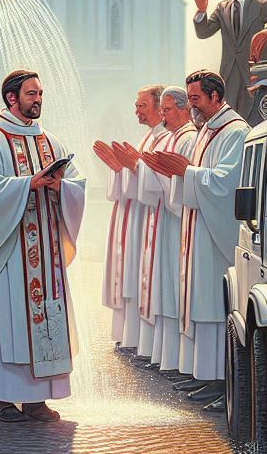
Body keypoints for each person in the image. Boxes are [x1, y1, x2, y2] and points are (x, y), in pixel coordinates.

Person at [0, 70, 87, 424]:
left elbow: (76, 183)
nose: (38, 100)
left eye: (40, 94)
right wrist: (28, 184)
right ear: (11, 98)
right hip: (8, 252)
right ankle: (2, 399)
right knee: (7, 323)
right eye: (31, 94)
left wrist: (63, 186)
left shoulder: (51, 142)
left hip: (46, 252)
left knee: (46, 319)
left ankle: (36, 400)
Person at [148, 71, 249, 412]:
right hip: (199, 228)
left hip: (214, 234)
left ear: (215, 96)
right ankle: (207, 374)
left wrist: (186, 173)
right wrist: (184, 173)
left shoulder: (236, 132)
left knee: (215, 307)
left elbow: (226, 183)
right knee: (201, 304)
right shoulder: (209, 129)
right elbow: (199, 176)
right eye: (190, 99)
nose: (193, 106)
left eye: (195, 99)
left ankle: (226, 382)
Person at [95, 86, 167, 351]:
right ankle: (130, 337)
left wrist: (132, 167)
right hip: (135, 215)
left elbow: (156, 183)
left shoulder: (165, 139)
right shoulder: (147, 139)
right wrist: (119, 168)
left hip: (148, 217)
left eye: (141, 106)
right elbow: (134, 177)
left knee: (143, 280)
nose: (136, 111)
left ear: (159, 108)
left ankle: (143, 343)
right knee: (131, 277)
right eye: (136, 106)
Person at [135, 87, 198, 374]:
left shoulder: (188, 138)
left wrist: (151, 172)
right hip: (166, 221)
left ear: (183, 108)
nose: (163, 116)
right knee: (165, 291)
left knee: (175, 292)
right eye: (162, 110)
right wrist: (138, 170)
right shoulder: (173, 137)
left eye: (167, 110)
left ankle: (180, 364)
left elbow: (183, 187)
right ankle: (168, 359)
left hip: (178, 225)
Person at [191, 0, 267, 120]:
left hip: (253, 73)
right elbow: (204, 33)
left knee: (256, 118)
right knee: (229, 117)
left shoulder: (262, 5)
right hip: (229, 75)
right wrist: (202, 10)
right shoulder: (222, 8)